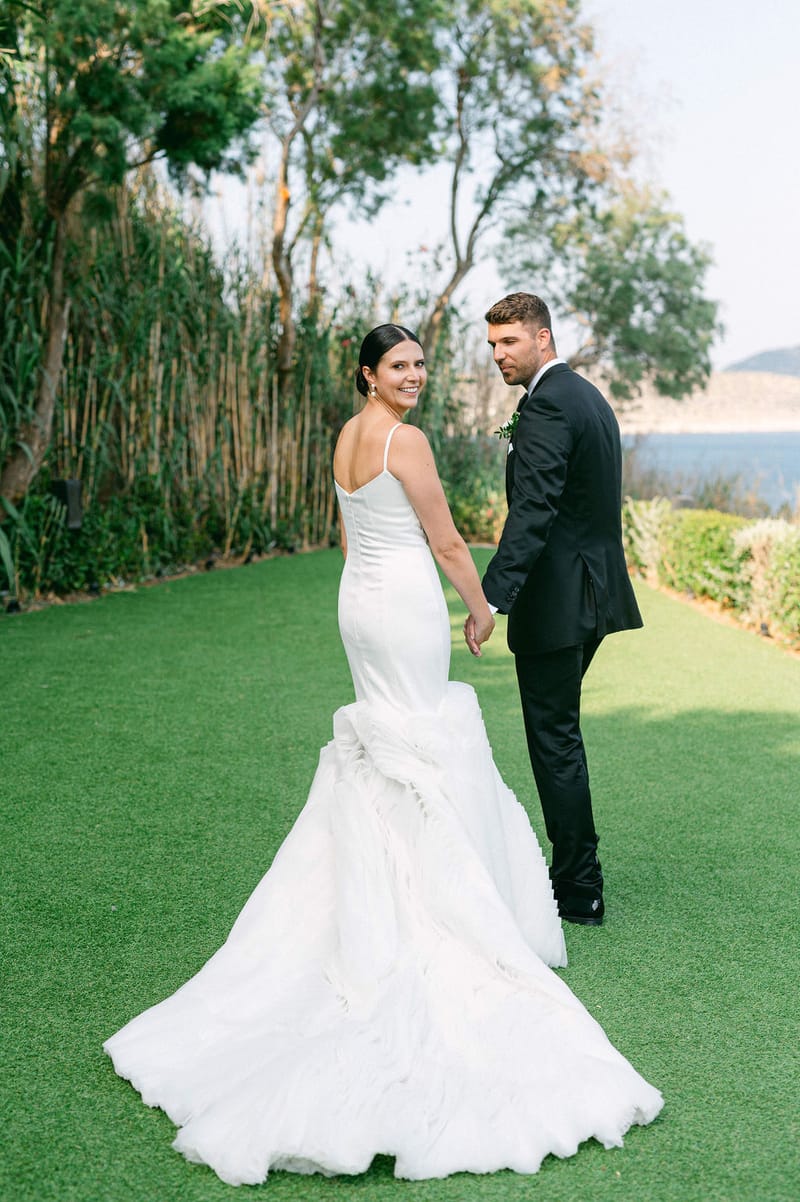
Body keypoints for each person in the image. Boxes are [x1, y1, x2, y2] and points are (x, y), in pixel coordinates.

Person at [103, 323, 661, 1186]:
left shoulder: (345, 437)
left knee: (384, 740)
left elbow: (356, 530)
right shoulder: (409, 441)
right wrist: (481, 605)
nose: (414, 375)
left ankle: (380, 883)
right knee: (419, 742)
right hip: (402, 605)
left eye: (420, 364)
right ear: (368, 374)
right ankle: (430, 902)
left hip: (359, 603)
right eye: (399, 366)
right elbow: (446, 543)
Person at [468, 293, 643, 927]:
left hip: (558, 604)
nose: (498, 354)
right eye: (492, 344)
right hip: (595, 594)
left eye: (509, 342)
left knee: (555, 741)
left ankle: (577, 887)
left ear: (542, 338)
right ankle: (577, 877)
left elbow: (533, 512)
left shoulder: (546, 405)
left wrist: (490, 597)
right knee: (560, 734)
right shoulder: (587, 396)